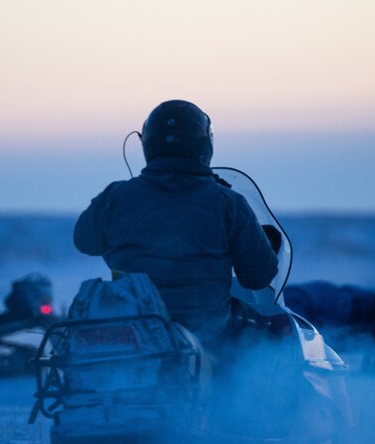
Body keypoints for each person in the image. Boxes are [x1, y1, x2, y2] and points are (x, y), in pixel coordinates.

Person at [73, 100, 278, 344]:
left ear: (148, 143)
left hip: (134, 331)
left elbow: (84, 242)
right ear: (204, 144)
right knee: (269, 342)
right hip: (208, 334)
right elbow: (258, 277)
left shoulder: (115, 197)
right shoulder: (228, 203)